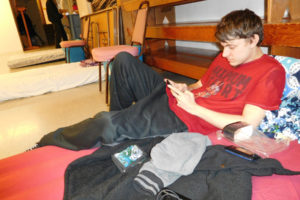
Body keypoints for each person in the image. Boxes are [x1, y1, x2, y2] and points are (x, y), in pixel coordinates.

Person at [33, 9, 285, 150]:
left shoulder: (270, 72)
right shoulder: (227, 56)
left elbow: (247, 125)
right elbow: (203, 84)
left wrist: (193, 107)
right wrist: (185, 87)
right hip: (176, 99)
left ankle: (45, 142)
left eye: (231, 47)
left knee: (103, 122)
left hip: (186, 117)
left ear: (254, 40)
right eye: (223, 46)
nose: (224, 53)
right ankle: (122, 124)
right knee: (123, 60)